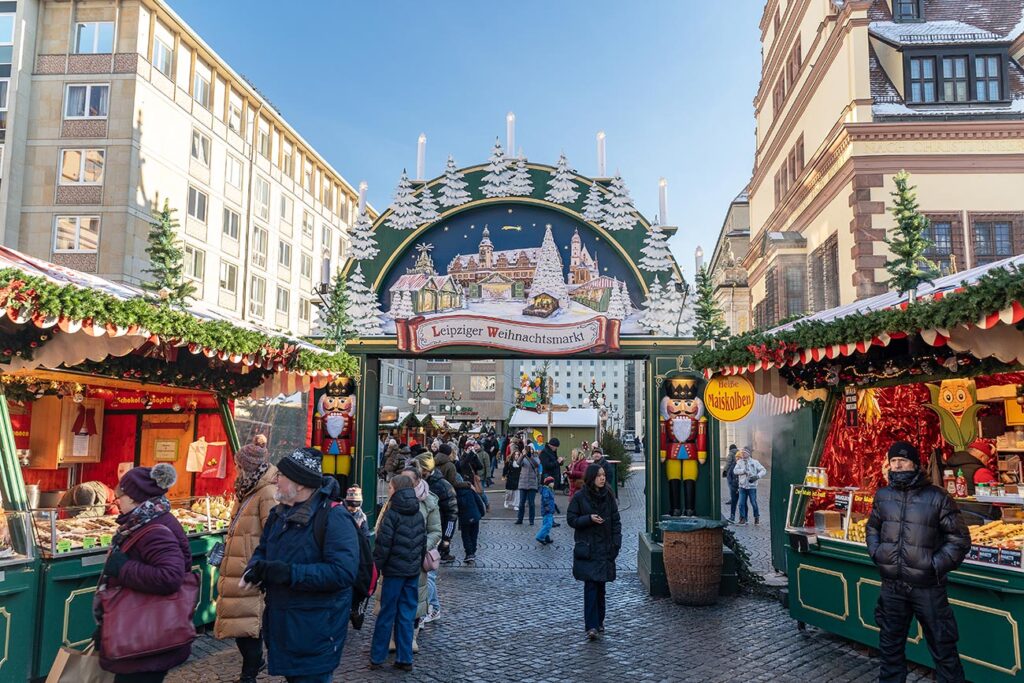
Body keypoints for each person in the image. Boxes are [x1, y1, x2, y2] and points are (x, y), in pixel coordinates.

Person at [242, 448, 359, 683]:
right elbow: (263, 549)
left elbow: (343, 573)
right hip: (285, 626)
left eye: (281, 476)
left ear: (301, 484)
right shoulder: (278, 513)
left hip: (316, 630)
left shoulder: (335, 518)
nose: (276, 480)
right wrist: (255, 568)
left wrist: (287, 573)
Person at [866, 441, 971, 683]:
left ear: (915, 463)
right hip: (892, 586)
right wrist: (877, 553)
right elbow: (872, 528)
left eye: (903, 460)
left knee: (943, 648)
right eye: (893, 460)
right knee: (890, 648)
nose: (898, 464)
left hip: (928, 588)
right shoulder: (883, 496)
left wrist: (933, 565)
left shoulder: (937, 497)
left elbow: (959, 539)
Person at [97, 463, 193, 683]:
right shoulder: (143, 520)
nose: (115, 500)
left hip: (147, 636)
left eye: (120, 495)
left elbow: (170, 576)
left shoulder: (155, 529)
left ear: (134, 497)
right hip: (141, 633)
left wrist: (122, 567)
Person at [214, 436, 277, 683]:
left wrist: (258, 566)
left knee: (248, 625)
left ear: (247, 466)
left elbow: (271, 534)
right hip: (237, 563)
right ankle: (251, 669)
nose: (235, 469)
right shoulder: (246, 488)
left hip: (250, 567)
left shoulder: (267, 492)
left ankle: (248, 675)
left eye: (238, 465)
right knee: (241, 624)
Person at [370, 475, 425, 672]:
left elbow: (383, 546)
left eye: (391, 488)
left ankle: (377, 656)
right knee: (406, 614)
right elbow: (422, 543)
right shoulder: (418, 513)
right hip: (411, 572)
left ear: (397, 490)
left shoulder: (392, 514)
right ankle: (405, 657)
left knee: (387, 613)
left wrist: (376, 568)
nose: (389, 490)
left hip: (394, 572)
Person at [566, 464, 622, 642]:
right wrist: (588, 519)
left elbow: (616, 522)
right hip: (588, 549)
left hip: (605, 548)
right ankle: (591, 625)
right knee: (590, 587)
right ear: (591, 477)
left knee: (600, 588)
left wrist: (616, 544)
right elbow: (571, 519)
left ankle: (599, 621)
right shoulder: (580, 497)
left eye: (604, 475)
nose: (602, 478)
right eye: (599, 476)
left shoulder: (609, 496)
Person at [403, 465, 441, 649]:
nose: (405, 484)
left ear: (418, 480)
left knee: (417, 595)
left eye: (409, 480)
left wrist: (421, 546)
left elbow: (435, 531)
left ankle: (412, 635)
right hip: (398, 556)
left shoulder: (429, 501)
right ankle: (396, 635)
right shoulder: (395, 498)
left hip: (418, 557)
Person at [345, 486, 373, 630]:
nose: (353, 508)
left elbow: (366, 538)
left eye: (356, 505)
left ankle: (354, 609)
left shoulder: (362, 517)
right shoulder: (341, 515)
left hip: (357, 557)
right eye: (350, 505)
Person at [454, 454, 486, 563]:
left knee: (466, 535)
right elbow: (479, 503)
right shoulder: (471, 490)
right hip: (475, 515)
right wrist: (481, 514)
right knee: (474, 534)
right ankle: (473, 551)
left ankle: (469, 553)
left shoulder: (456, 494)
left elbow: (456, 509)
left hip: (464, 519)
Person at [733, 448, 766, 525]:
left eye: (744, 453)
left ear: (748, 454)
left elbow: (763, 470)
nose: (743, 454)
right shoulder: (739, 462)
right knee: (741, 503)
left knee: (753, 503)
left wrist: (757, 476)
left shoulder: (755, 462)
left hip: (752, 487)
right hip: (742, 486)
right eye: (742, 453)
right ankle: (743, 518)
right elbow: (735, 471)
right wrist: (743, 471)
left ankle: (756, 517)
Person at [515, 446, 541, 525]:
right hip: (523, 483)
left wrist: (530, 457)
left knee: (531, 503)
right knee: (521, 503)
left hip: (532, 483)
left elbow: (536, 464)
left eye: (531, 449)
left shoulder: (536, 458)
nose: (529, 451)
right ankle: (520, 519)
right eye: (528, 450)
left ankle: (531, 520)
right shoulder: (523, 458)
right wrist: (523, 455)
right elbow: (518, 463)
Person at [536, 476, 559, 545]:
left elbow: (551, 500)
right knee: (548, 525)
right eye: (551, 482)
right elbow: (545, 500)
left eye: (553, 482)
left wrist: (555, 507)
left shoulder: (549, 489)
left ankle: (546, 538)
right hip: (547, 510)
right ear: (548, 483)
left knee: (546, 524)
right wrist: (547, 507)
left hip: (549, 510)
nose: (553, 484)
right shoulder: (546, 490)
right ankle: (540, 537)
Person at [503, 437, 523, 509]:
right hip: (510, 477)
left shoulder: (520, 462)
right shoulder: (509, 461)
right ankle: (506, 501)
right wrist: (504, 475)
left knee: (517, 493)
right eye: (516, 454)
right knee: (509, 492)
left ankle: (516, 505)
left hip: (517, 478)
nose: (517, 456)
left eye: (518, 454)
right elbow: (505, 469)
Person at [721, 444, 740, 522]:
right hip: (738, 475)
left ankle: (732, 498)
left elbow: (728, 463)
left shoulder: (731, 454)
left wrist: (725, 471)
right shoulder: (739, 453)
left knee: (730, 485)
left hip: (731, 473)